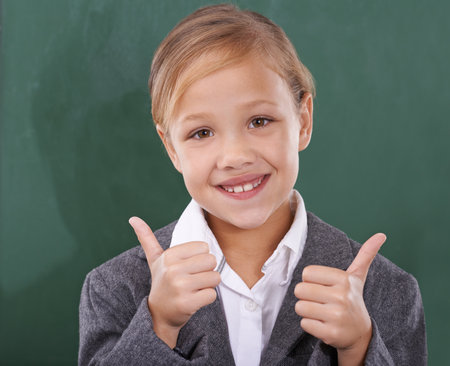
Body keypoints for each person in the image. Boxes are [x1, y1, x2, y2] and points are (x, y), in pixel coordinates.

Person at [78, 4, 426, 365]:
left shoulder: (388, 292)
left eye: (259, 121)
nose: (235, 156)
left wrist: (359, 350)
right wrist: (158, 326)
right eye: (202, 132)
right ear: (171, 149)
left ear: (303, 121)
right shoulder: (115, 289)